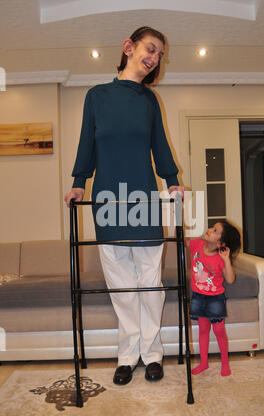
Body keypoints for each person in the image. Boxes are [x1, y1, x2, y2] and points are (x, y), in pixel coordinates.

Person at [64, 26, 184, 386]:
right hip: (107, 200)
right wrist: (77, 183)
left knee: (149, 282)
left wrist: (172, 179)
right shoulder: (96, 96)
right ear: (128, 47)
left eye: (160, 54)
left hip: (144, 198)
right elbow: (87, 142)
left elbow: (159, 143)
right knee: (121, 284)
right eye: (150, 49)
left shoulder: (149, 100)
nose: (154, 58)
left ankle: (153, 354)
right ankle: (127, 356)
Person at [187, 221, 241, 376]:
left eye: (215, 230)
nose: (209, 230)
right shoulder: (197, 244)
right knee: (203, 330)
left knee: (219, 331)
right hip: (198, 296)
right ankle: (203, 363)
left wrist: (226, 260)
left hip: (215, 298)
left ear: (220, 243)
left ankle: (225, 363)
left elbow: (230, 280)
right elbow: (182, 241)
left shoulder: (220, 258)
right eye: (212, 227)